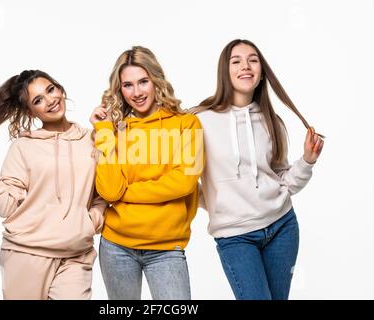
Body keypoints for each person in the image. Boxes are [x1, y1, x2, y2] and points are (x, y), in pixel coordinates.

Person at [192, 39, 324, 300]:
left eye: (253, 60)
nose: (246, 66)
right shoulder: (199, 120)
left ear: (262, 71)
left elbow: (284, 181)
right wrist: (215, 203)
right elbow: (182, 177)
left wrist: (307, 161)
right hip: (235, 236)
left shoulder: (272, 122)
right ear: (224, 71)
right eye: (236, 60)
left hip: (282, 227)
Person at [0, 70, 106, 299]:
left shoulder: (92, 139)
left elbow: (103, 192)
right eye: (38, 100)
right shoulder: (23, 146)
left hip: (76, 255)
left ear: (60, 89)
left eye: (51, 90)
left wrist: (91, 221)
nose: (50, 101)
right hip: (25, 254)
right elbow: (8, 205)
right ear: (31, 111)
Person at [89, 46, 204, 300]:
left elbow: (183, 183)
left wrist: (125, 192)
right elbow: (108, 190)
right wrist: (104, 131)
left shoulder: (187, 124)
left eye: (143, 81)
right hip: (116, 245)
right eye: (128, 85)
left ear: (156, 80)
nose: (137, 92)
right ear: (119, 89)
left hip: (166, 247)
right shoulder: (114, 130)